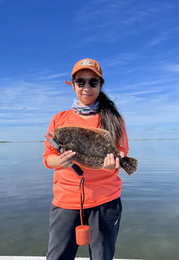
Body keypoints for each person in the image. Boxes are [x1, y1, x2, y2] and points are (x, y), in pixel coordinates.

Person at [43, 58, 129, 260]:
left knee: (102, 256)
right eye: (81, 82)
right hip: (66, 199)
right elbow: (48, 158)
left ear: (100, 85)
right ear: (72, 85)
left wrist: (113, 165)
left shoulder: (114, 119)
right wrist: (61, 160)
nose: (86, 87)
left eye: (93, 82)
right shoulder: (59, 119)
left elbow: (120, 156)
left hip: (105, 200)